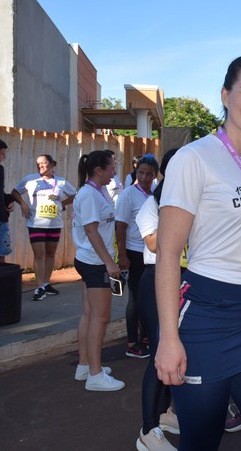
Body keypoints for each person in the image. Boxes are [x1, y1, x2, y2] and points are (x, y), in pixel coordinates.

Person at [154, 55, 241, 450]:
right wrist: (168, 338)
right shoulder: (194, 158)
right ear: (226, 95)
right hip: (204, 318)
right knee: (200, 440)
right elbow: (168, 253)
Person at [135, 148, 179, 451]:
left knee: (182, 351)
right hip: (155, 282)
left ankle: (169, 413)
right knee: (159, 354)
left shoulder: (188, 202)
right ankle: (148, 431)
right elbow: (155, 243)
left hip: (185, 281)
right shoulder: (151, 205)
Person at [72, 149, 125, 391]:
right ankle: (95, 374)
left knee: (89, 314)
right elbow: (92, 231)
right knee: (100, 318)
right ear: (98, 170)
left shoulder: (97, 190)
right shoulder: (89, 195)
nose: (114, 171)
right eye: (111, 167)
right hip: (95, 262)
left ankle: (85, 365)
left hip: (90, 260)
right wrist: (109, 262)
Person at [11, 154, 77, 300]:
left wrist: (63, 205)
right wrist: (23, 204)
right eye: (38, 164)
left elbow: (75, 194)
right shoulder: (30, 179)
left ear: (53, 164)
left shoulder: (60, 182)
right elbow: (15, 192)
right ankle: (39, 286)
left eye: (43, 163)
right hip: (36, 223)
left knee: (50, 254)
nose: (40, 166)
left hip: (54, 223)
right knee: (39, 254)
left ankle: (47, 283)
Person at [117, 154, 160, 360]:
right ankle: (132, 343)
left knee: (148, 298)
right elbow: (121, 226)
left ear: (154, 175)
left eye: (148, 174)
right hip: (134, 252)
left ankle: (145, 337)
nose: (144, 177)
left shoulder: (154, 193)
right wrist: (122, 254)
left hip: (149, 253)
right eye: (141, 172)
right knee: (134, 299)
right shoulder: (127, 195)